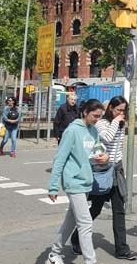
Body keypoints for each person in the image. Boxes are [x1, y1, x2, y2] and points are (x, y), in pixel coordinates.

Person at [70, 96, 137, 260]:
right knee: (96, 208)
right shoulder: (102, 123)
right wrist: (116, 121)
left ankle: (122, 249)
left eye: (123, 110)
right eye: (118, 110)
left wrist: (120, 123)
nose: (121, 113)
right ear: (110, 109)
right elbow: (106, 137)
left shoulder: (119, 124)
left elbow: (117, 145)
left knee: (119, 210)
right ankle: (76, 237)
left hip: (116, 169)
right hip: (102, 171)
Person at [46, 99, 109, 264]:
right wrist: (53, 186)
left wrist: (104, 157)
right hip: (73, 182)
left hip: (86, 181)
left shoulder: (93, 131)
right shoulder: (72, 131)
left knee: (71, 220)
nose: (97, 119)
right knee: (86, 222)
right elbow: (59, 159)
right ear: (85, 112)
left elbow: (98, 151)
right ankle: (90, 261)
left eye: (100, 116)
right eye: (95, 116)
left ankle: (54, 253)